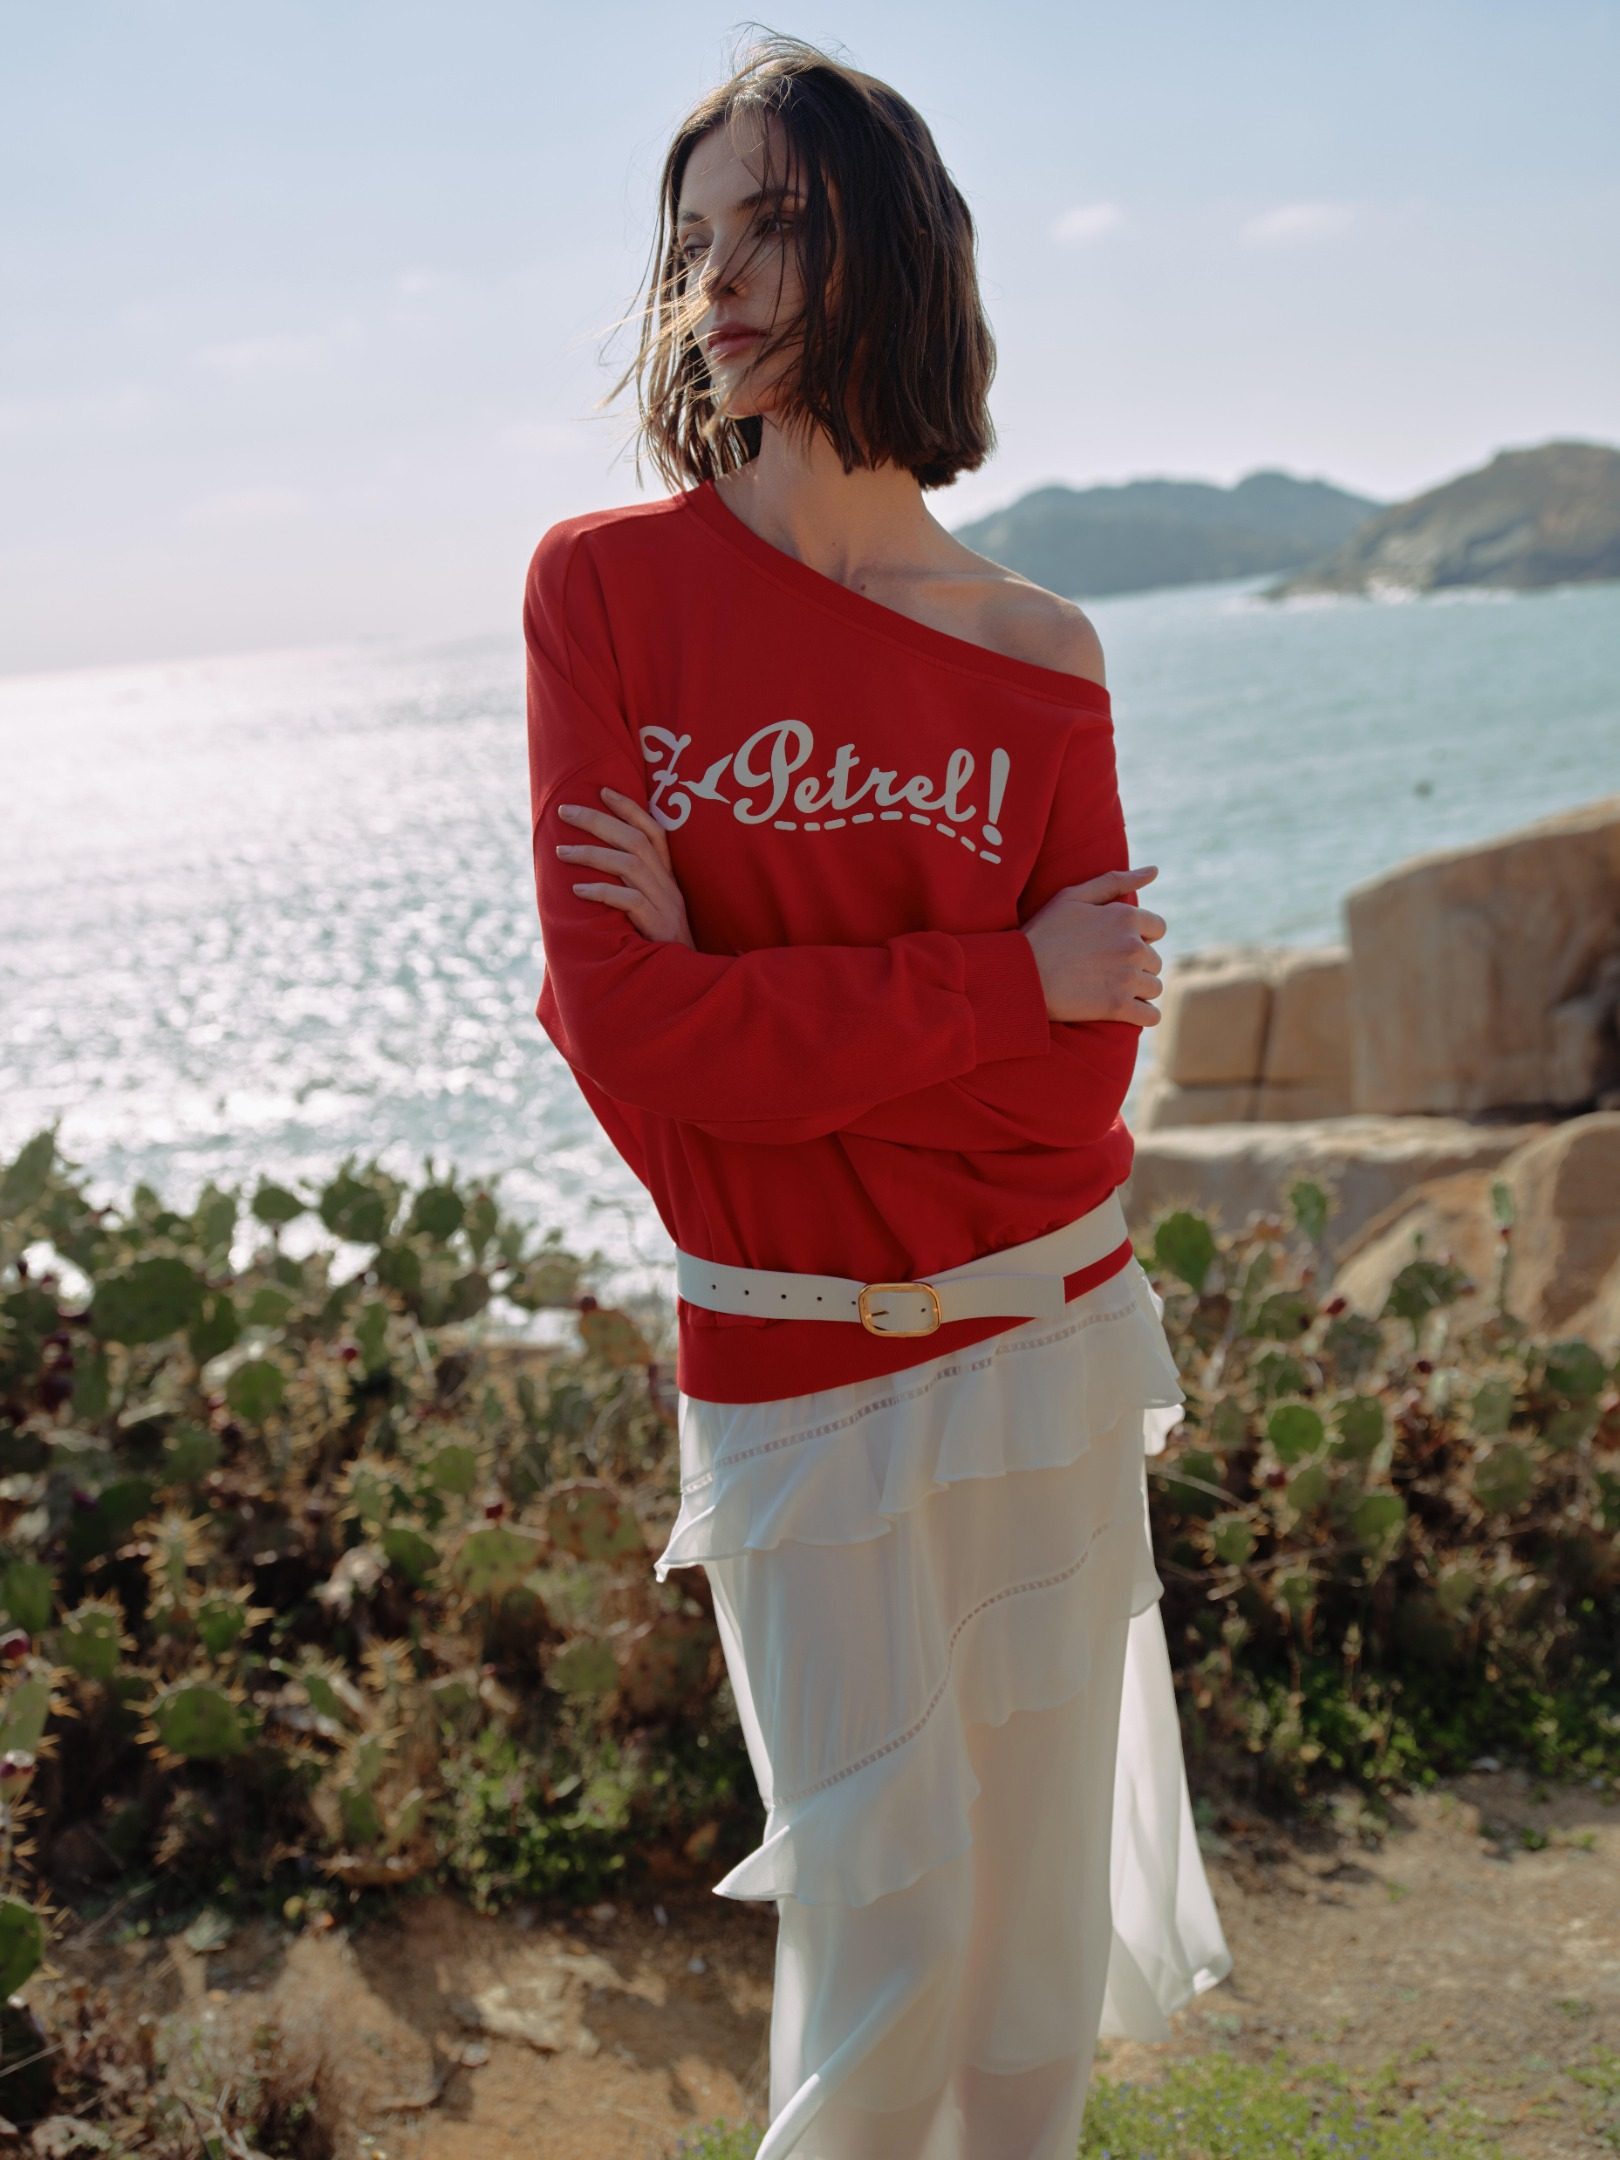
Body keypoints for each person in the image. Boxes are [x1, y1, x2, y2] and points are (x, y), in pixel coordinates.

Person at [523, 33, 1232, 2158]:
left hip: (1048, 1339)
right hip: (789, 1367)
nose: (720, 281)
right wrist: (1000, 979)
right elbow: (628, 1043)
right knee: (887, 1931)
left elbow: (1066, 1115)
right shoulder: (606, 596)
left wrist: (760, 1012)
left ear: (889, 253)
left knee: (1024, 1965)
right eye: (697, 238)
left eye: (778, 224)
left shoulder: (1039, 654)